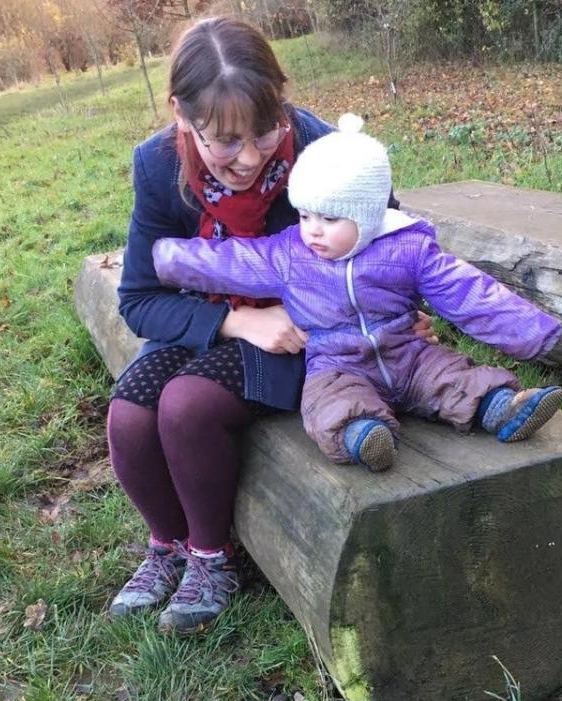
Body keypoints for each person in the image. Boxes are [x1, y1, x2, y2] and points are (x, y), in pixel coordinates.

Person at [107, 18, 435, 634]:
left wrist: (404, 311)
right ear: (181, 114)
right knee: (128, 416)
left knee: (186, 407)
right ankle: (169, 544)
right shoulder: (157, 168)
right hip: (222, 321)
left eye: (265, 129)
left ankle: (211, 557)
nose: (252, 157)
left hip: (315, 339)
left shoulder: (323, 149)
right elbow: (139, 300)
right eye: (225, 141)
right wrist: (237, 319)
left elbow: (394, 237)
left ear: (281, 96)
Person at [152, 113, 562, 474]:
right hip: (336, 362)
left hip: (408, 353)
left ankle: (501, 407)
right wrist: (168, 257)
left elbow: (469, 293)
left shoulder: (407, 248)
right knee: (329, 402)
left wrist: (532, 331)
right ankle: (365, 436)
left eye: (330, 218)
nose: (312, 228)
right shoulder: (290, 253)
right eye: (305, 213)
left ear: (367, 216)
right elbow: (231, 262)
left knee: (450, 376)